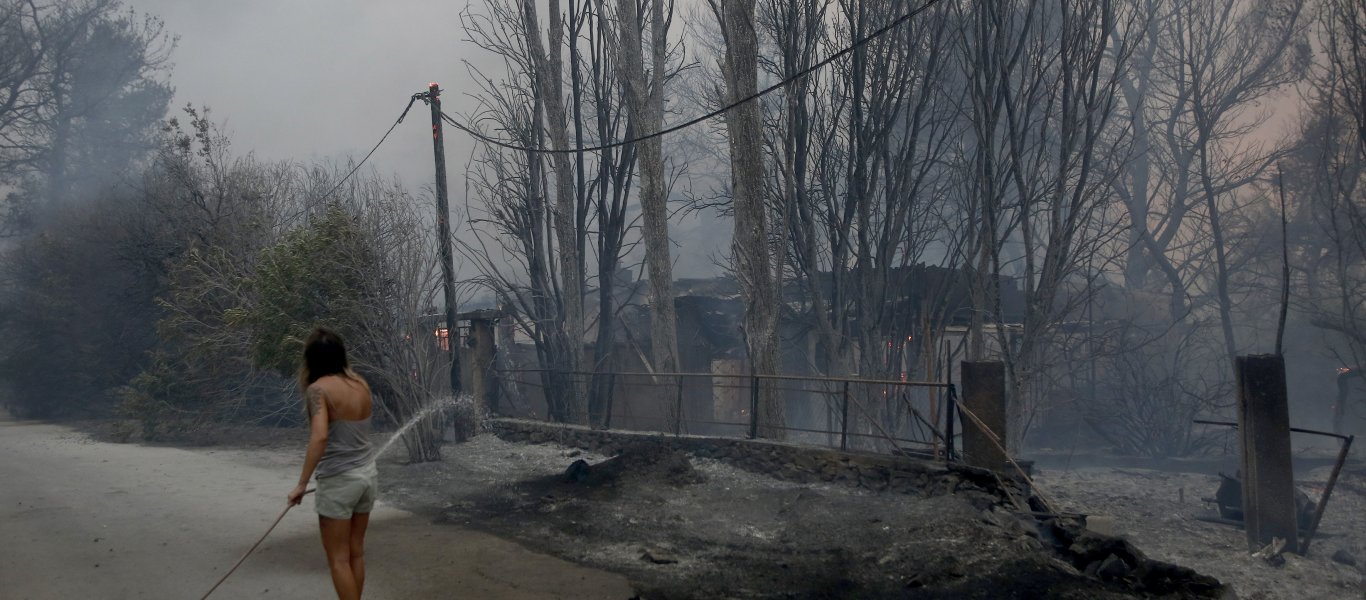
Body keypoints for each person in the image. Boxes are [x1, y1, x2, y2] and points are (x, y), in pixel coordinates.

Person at [287, 327, 377, 600]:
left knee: (338, 559)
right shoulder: (360, 384)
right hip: (367, 478)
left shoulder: (318, 390)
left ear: (311, 359)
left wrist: (301, 484)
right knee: (356, 552)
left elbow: (320, 437)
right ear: (340, 354)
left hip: (339, 482)